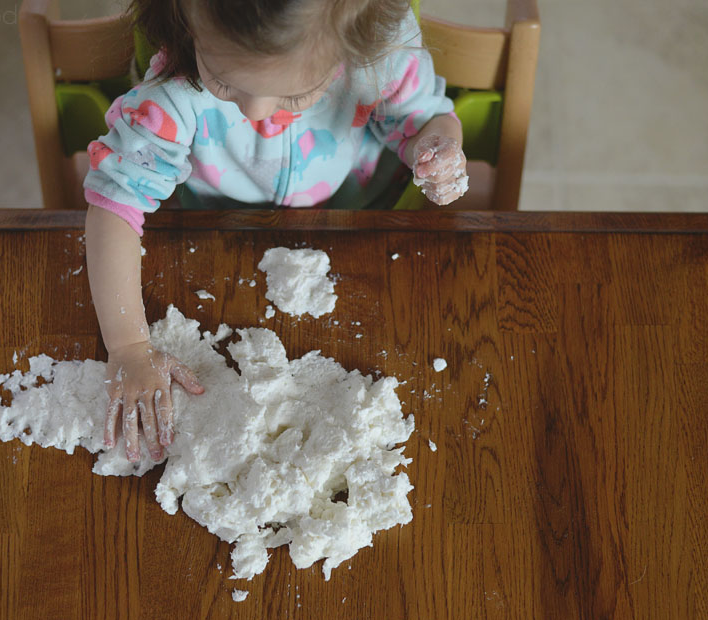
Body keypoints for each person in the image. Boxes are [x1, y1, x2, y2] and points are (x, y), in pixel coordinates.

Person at [84, 0, 467, 463]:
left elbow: (425, 120)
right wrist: (127, 345)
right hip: (217, 225)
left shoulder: (380, 55)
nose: (255, 110)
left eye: (294, 96)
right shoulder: (172, 95)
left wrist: (436, 146)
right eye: (224, 80)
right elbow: (116, 202)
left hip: (359, 215)